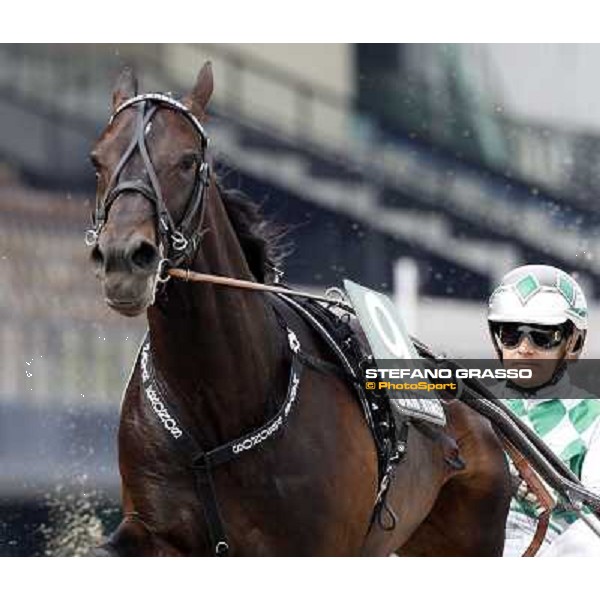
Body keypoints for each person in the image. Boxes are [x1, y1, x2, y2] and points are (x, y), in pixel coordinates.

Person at [487, 264, 600, 556]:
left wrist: (557, 497)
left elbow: (594, 524)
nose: (524, 349)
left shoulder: (593, 417)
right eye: (511, 334)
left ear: (573, 342)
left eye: (542, 336)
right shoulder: (470, 403)